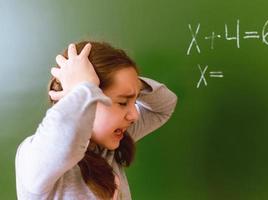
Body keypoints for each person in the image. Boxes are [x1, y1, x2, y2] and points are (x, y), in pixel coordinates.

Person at [15, 41, 177, 200]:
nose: (134, 115)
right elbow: (67, 140)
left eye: (134, 102)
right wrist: (81, 89)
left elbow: (164, 106)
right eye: (122, 102)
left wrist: (132, 84)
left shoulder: (109, 145)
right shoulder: (33, 157)